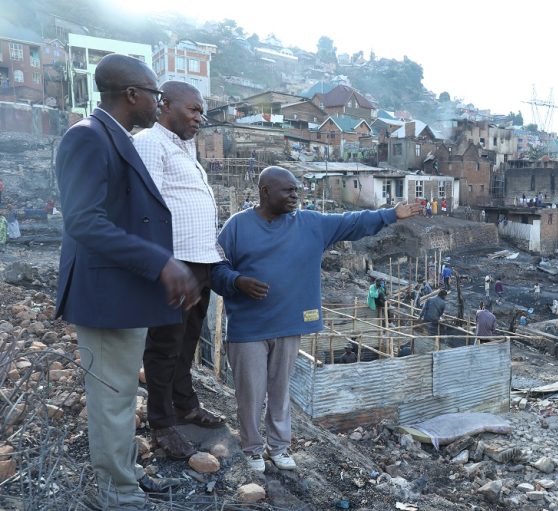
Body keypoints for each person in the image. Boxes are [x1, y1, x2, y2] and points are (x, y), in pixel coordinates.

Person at [55, 54, 199, 509]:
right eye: (156, 94)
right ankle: (116, 494)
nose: (160, 103)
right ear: (132, 94)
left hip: (122, 294)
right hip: (105, 296)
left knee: (118, 396)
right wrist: (160, 262)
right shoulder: (87, 137)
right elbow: (84, 222)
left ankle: (126, 474)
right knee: (112, 400)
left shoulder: (113, 137)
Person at [211, 166, 420, 473]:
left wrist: (390, 215)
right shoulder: (237, 226)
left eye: (297, 189)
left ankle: (279, 447)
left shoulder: (309, 224)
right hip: (249, 329)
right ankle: (253, 449)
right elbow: (214, 271)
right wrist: (237, 281)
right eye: (288, 190)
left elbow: (353, 223)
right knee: (250, 394)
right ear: (265, 191)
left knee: (280, 392)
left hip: (288, 326)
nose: (296, 195)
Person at [134, 81, 225, 460]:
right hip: (175, 262)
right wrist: (161, 262)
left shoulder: (185, 149)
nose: (199, 118)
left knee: (188, 339)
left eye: (202, 112)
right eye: (193, 110)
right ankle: (162, 425)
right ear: (165, 105)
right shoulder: (150, 143)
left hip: (200, 261)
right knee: (165, 343)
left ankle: (185, 404)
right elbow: (143, 205)